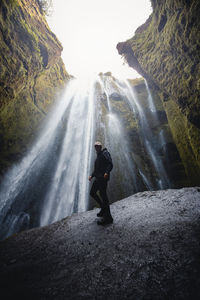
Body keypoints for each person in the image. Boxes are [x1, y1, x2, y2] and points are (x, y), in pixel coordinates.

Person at [89, 141, 113, 225]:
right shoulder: (98, 156)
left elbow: (110, 164)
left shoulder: (105, 153)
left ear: (101, 146)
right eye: (95, 146)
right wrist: (91, 176)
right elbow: (96, 170)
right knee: (92, 192)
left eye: (98, 146)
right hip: (98, 178)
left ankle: (108, 218)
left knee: (103, 196)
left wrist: (106, 172)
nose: (96, 147)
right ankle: (103, 208)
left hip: (103, 178)